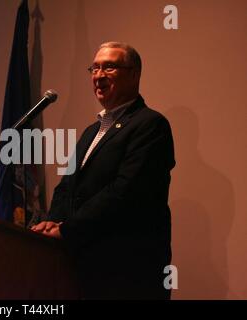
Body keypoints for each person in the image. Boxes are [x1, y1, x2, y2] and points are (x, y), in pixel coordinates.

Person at [32, 42, 175, 300]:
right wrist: (53, 223)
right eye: (94, 68)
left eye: (109, 67)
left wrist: (68, 229)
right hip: (82, 267)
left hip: (127, 273)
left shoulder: (151, 125)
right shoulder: (91, 131)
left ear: (134, 74)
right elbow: (67, 187)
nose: (98, 75)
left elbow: (124, 192)